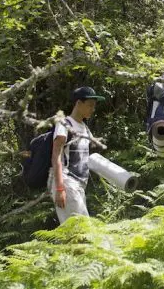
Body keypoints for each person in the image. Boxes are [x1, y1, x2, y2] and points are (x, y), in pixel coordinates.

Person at [49, 86, 104, 224]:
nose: (93, 109)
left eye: (94, 105)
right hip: (67, 182)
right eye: (90, 105)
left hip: (79, 185)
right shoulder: (64, 125)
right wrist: (60, 188)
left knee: (74, 235)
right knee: (84, 230)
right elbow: (56, 156)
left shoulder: (84, 128)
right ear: (78, 103)